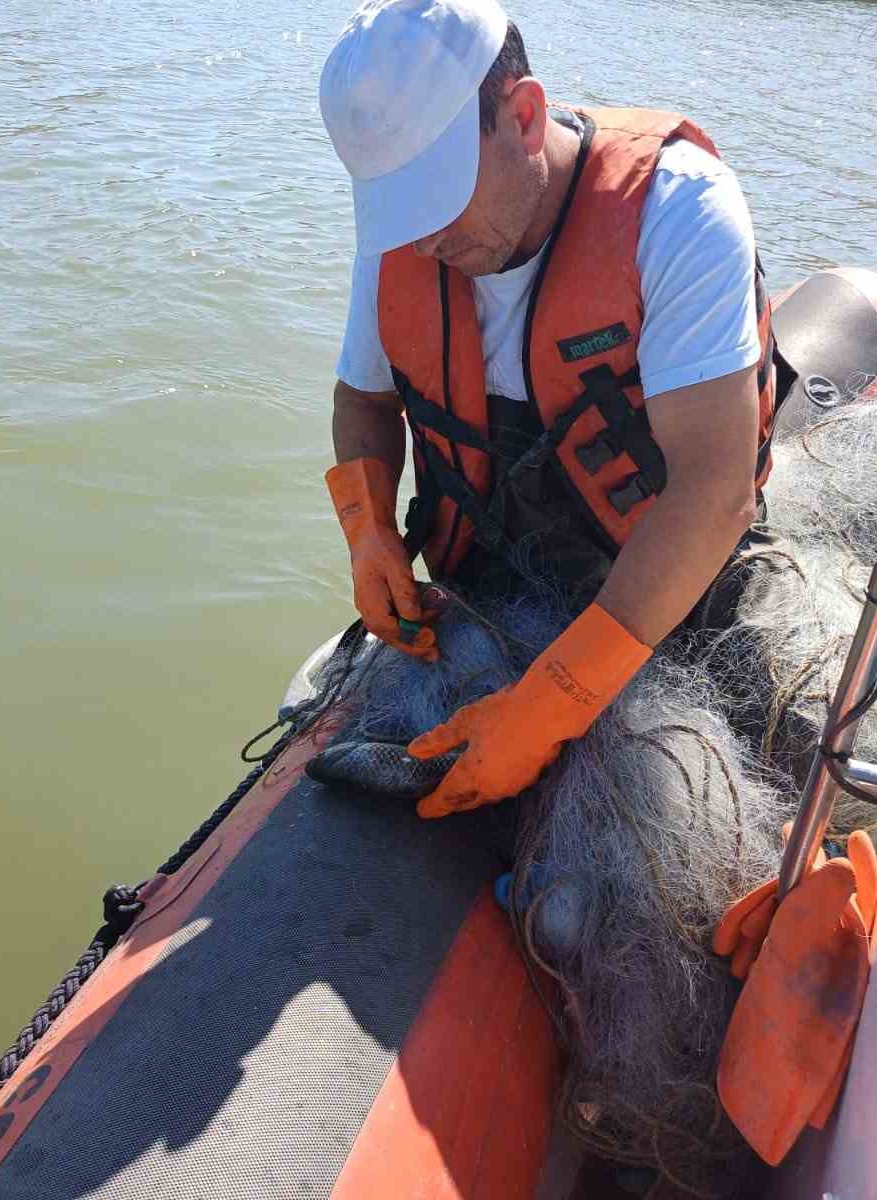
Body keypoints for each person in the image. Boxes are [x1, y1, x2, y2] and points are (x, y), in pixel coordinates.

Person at [318, 0, 791, 819]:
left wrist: (554, 701)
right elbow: (362, 400)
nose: (422, 241)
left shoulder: (679, 211)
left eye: (437, 198)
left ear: (524, 116)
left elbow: (713, 493)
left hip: (663, 614)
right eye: (398, 210)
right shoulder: (407, 242)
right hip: (485, 591)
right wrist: (368, 533)